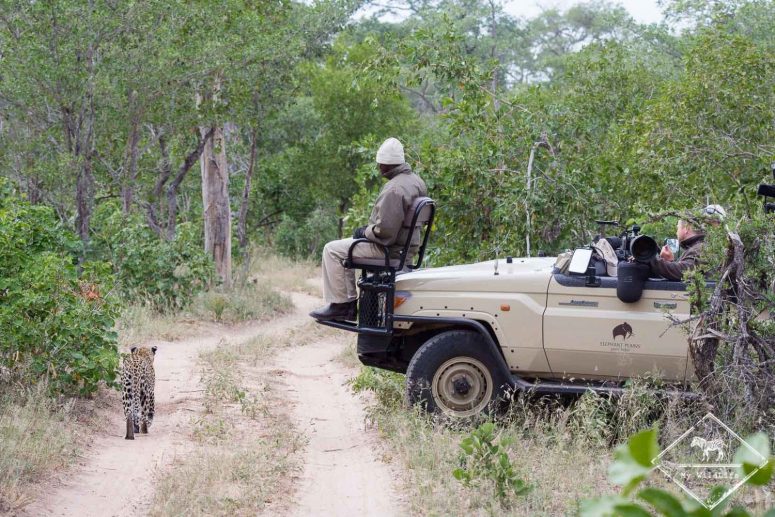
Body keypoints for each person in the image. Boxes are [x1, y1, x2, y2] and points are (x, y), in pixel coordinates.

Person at [309, 138, 427, 321]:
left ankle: (343, 306)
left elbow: (385, 233)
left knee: (332, 250)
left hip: (390, 250)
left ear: (386, 165)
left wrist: (365, 232)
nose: (378, 167)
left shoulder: (394, 189)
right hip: (407, 249)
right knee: (345, 245)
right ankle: (345, 304)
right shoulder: (416, 182)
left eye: (380, 164)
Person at [649, 204, 726, 281]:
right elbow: (690, 271)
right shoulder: (702, 246)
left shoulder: (702, 248)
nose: (676, 232)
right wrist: (670, 262)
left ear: (686, 228)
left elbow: (683, 272)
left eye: (677, 228)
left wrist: (648, 258)